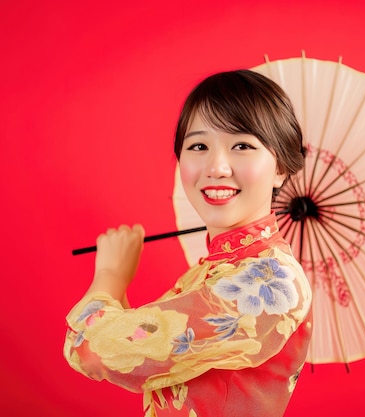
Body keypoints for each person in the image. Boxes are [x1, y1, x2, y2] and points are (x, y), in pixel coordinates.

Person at [63, 69, 313, 417]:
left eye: (242, 145)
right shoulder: (213, 273)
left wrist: (109, 275)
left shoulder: (269, 282)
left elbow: (89, 349)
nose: (217, 167)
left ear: (281, 167)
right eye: (198, 145)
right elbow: (141, 358)